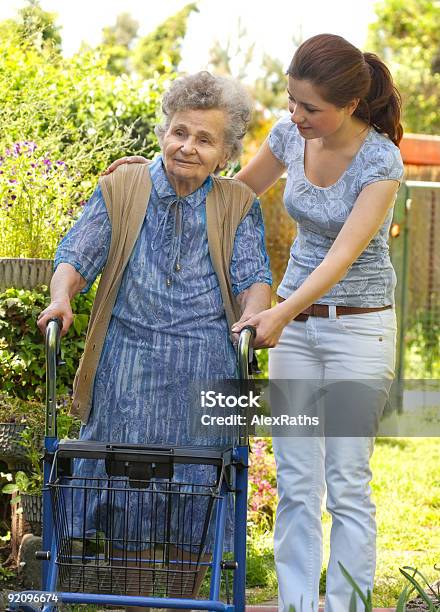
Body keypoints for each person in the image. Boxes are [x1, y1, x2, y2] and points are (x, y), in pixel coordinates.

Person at [107, 34, 405, 612]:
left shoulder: (380, 160)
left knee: (346, 483)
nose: (295, 116)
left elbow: (343, 255)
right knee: (297, 484)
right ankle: (295, 605)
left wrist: (280, 311)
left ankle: (346, 606)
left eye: (309, 108)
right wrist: (148, 173)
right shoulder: (291, 136)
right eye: (292, 101)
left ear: (347, 107)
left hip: (359, 331)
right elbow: (233, 193)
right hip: (294, 328)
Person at [38, 70, 272, 612]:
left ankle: (189, 604)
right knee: (130, 498)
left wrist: (254, 316)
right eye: (180, 132)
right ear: (165, 131)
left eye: (205, 139)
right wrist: (61, 296)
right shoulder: (124, 186)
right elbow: (78, 252)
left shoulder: (237, 203)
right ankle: (133, 605)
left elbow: (253, 276)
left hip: (205, 365)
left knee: (199, 497)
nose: (188, 146)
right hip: (129, 370)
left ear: (226, 152)